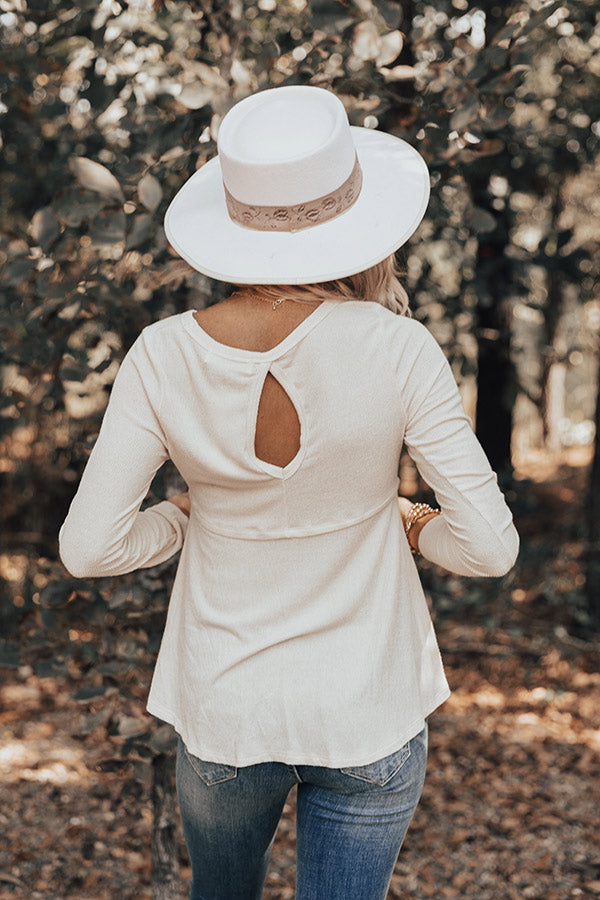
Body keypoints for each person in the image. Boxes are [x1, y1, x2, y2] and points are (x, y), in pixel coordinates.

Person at [59, 85, 520, 900]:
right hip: (367, 706)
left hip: (227, 710)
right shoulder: (400, 349)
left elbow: (90, 549)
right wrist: (412, 523)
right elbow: (489, 549)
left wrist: (182, 516)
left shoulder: (163, 354)